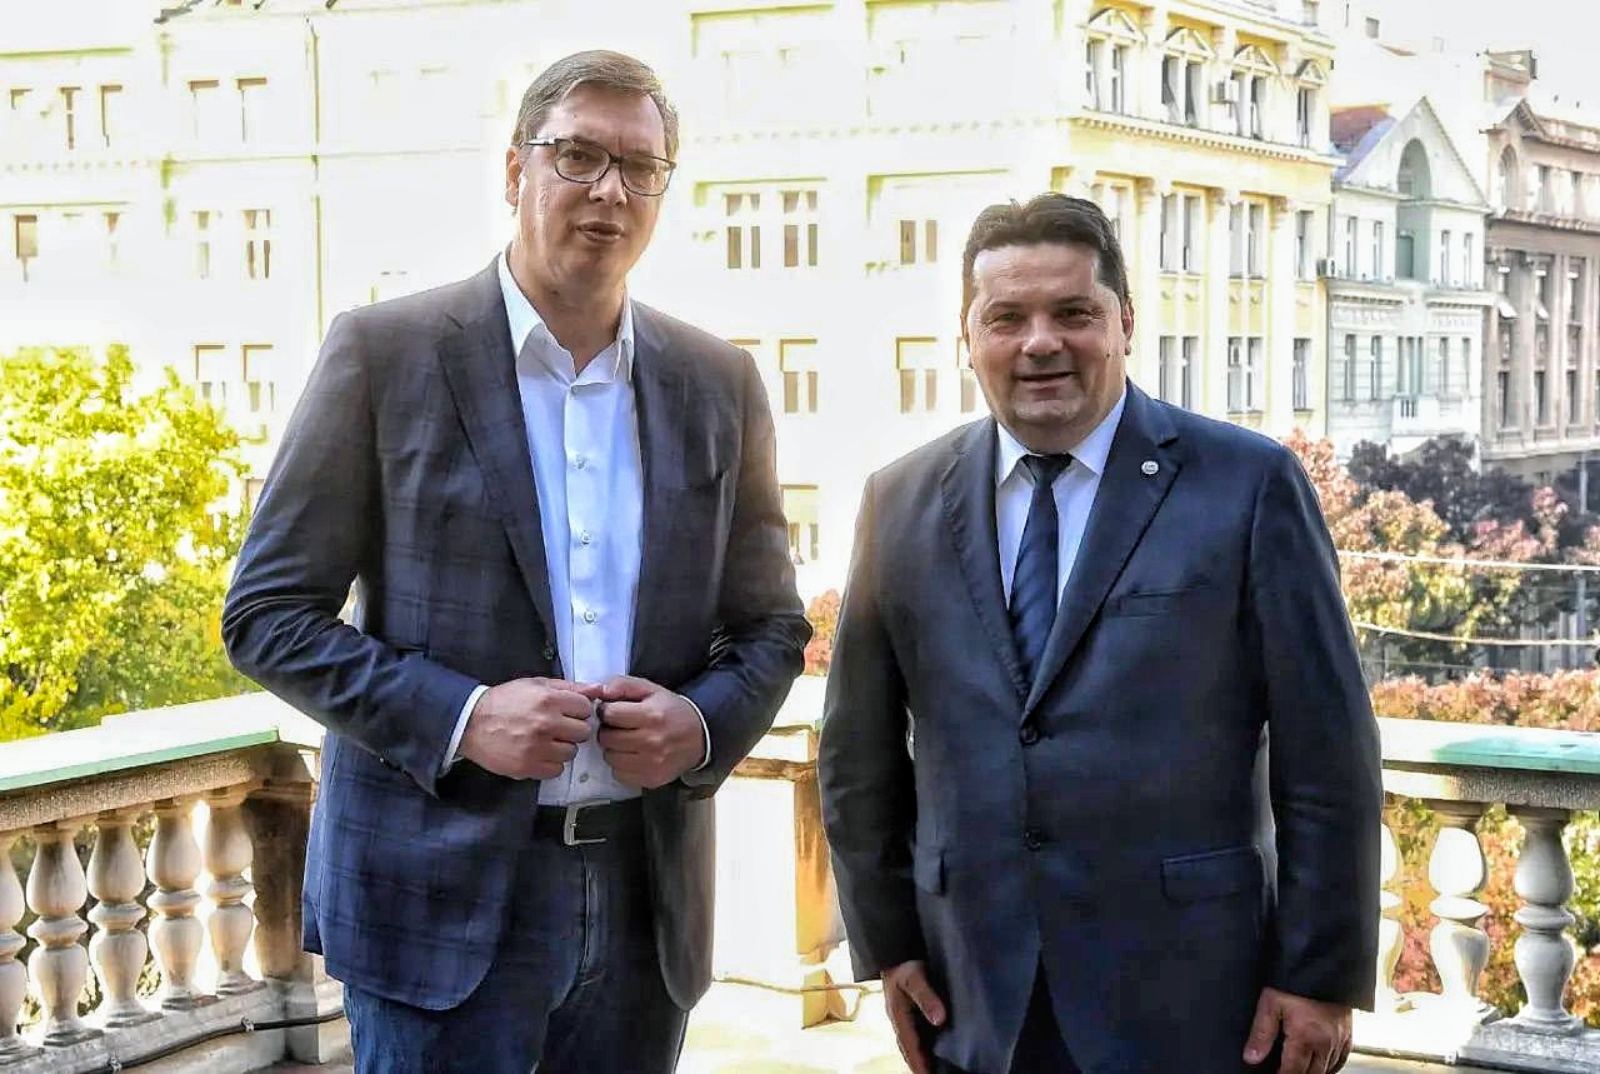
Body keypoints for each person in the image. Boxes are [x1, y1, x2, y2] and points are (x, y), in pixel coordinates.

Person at [223, 50, 809, 1074]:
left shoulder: (719, 382)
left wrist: (702, 722)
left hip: (644, 906)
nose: (609, 190)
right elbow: (267, 616)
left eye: (640, 167)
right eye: (577, 155)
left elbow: (769, 626)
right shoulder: (385, 355)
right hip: (432, 906)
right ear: (513, 170)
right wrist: (463, 717)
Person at [818, 193, 1381, 1074]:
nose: (1040, 342)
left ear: (1125, 323)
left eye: (1073, 313)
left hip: (1195, 1001)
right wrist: (889, 946)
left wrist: (1319, 974)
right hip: (972, 995)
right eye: (1007, 318)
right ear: (968, 337)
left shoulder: (1248, 485)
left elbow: (1329, 754)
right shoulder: (899, 501)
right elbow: (857, 756)